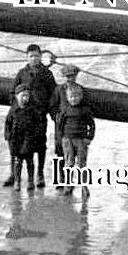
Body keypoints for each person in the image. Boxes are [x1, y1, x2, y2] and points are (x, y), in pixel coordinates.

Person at [11, 43, 57, 186]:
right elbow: (12, 92)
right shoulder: (22, 73)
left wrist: (50, 111)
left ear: (41, 57)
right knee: (21, 145)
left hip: (39, 116)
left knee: (40, 145)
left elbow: (53, 94)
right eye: (31, 56)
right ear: (27, 57)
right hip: (24, 116)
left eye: (36, 56)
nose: (34, 59)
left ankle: (40, 174)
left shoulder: (47, 74)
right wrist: (16, 109)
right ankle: (16, 176)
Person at [49, 63, 84, 191]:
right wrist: (56, 117)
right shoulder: (58, 90)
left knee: (73, 154)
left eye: (73, 76)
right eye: (68, 77)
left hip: (75, 126)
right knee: (60, 152)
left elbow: (85, 107)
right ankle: (60, 179)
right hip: (61, 127)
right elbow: (52, 106)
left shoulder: (80, 89)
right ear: (64, 77)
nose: (70, 79)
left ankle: (70, 181)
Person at [3, 84, 44, 191]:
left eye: (27, 96)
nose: (25, 98)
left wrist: (35, 137)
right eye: (22, 96)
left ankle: (30, 181)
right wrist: (8, 136)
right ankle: (17, 181)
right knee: (17, 162)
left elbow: (38, 125)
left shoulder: (32, 111)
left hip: (28, 140)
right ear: (17, 96)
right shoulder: (13, 110)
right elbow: (8, 124)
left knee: (30, 162)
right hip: (16, 141)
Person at [57, 82, 95, 195]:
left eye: (76, 96)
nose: (74, 99)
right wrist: (62, 139)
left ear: (81, 97)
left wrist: (89, 138)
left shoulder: (85, 110)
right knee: (69, 163)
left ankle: (84, 186)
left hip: (81, 141)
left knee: (82, 164)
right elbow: (60, 125)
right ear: (67, 98)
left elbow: (91, 125)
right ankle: (68, 186)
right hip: (68, 140)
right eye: (71, 97)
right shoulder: (64, 110)